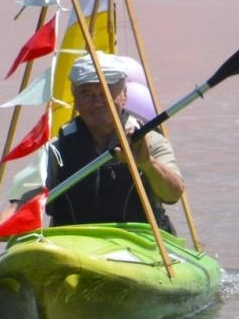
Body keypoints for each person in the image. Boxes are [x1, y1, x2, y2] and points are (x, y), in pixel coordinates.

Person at [45, 51, 184, 232]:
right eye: (87, 94)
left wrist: (147, 164)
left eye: (106, 93)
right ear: (76, 101)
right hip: (75, 243)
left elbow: (173, 195)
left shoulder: (149, 141)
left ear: (124, 95)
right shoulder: (57, 149)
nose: (97, 103)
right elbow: (28, 196)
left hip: (139, 244)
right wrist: (7, 216)